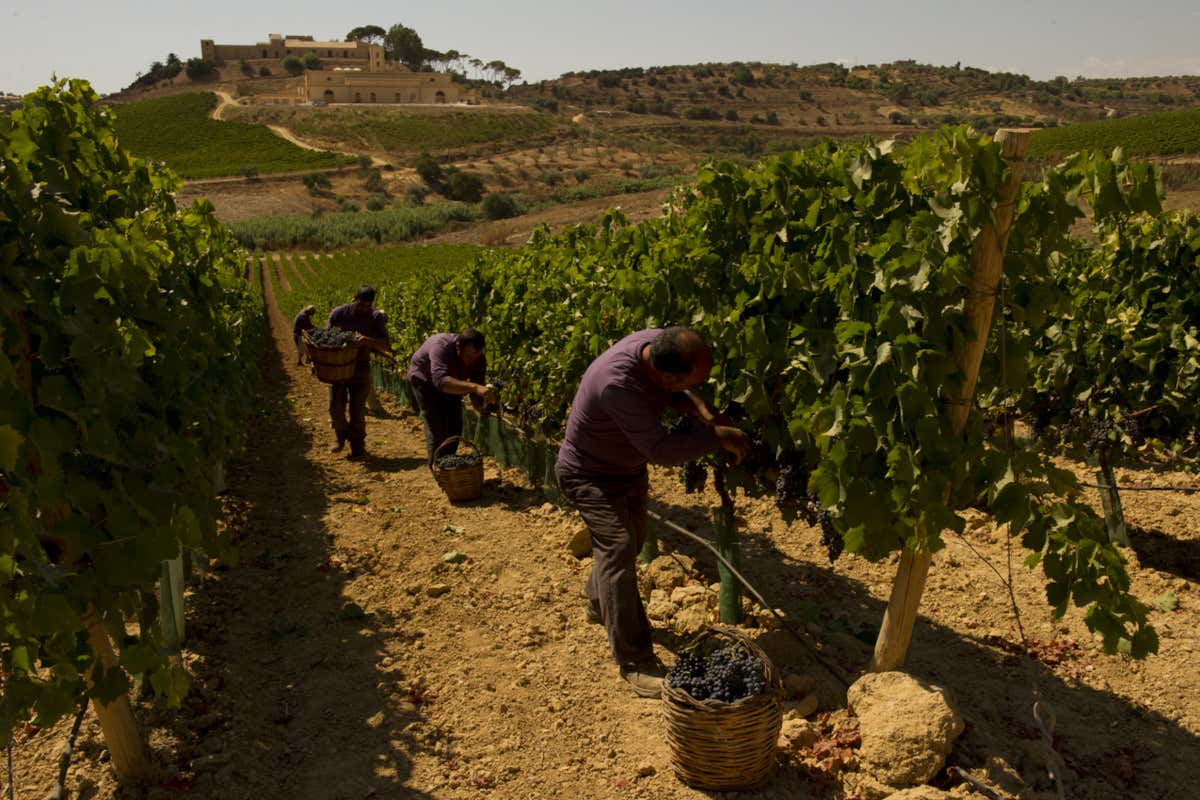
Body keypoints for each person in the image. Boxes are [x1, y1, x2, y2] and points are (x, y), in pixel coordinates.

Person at [555, 327, 750, 698]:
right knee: (619, 545)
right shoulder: (617, 385)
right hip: (588, 474)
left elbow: (677, 392)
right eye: (696, 380)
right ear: (666, 376)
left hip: (624, 469)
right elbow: (659, 449)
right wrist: (716, 438)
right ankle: (634, 661)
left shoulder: (657, 343)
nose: (699, 385)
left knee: (635, 538)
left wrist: (703, 410)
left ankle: (600, 602)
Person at [407, 329, 496, 467]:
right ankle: (437, 469)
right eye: (468, 357)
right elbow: (441, 382)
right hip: (425, 382)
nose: (471, 361)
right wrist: (474, 387)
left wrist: (482, 407)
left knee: (455, 426)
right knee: (437, 428)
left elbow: (476, 390)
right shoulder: (441, 346)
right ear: (458, 346)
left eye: (475, 357)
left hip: (452, 383)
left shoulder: (478, 359)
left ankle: (449, 466)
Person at [326, 286, 390, 460]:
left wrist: (367, 340)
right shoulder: (339, 313)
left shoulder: (375, 317)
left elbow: (385, 344)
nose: (363, 308)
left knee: (357, 410)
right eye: (360, 304)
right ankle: (340, 437)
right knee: (335, 407)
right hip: (338, 367)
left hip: (360, 368)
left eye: (367, 306)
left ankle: (357, 447)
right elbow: (326, 336)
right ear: (354, 299)